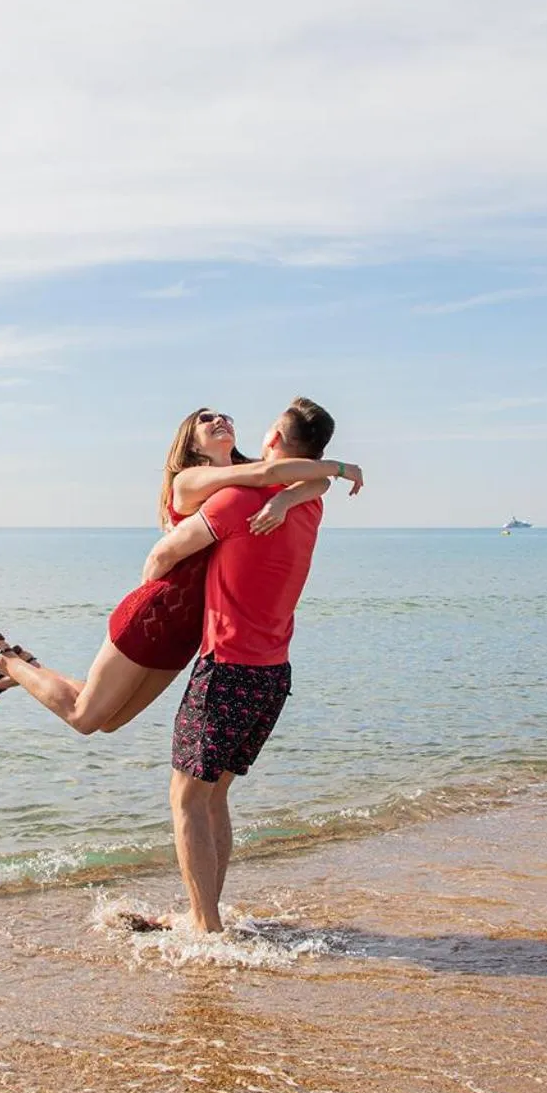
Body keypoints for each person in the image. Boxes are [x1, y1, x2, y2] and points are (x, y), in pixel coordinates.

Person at [0, 407, 362, 736]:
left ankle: (28, 666)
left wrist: (289, 500)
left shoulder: (245, 483)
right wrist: (341, 468)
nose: (219, 420)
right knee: (83, 717)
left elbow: (305, 478)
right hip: (158, 613)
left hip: (187, 632)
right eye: (205, 419)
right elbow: (276, 473)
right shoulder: (192, 480)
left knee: (108, 721)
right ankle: (3, 660)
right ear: (191, 443)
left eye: (225, 417)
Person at [139, 397, 337, 933]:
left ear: (273, 439)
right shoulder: (307, 502)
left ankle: (206, 929)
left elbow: (160, 558)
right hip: (273, 674)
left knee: (186, 800)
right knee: (213, 798)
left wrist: (152, 607)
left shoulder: (233, 503)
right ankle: (207, 914)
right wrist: (320, 477)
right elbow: (314, 481)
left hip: (227, 666)